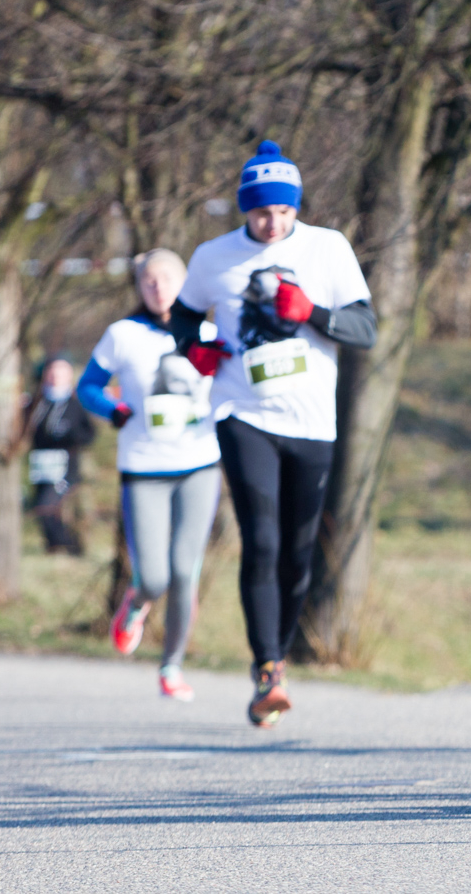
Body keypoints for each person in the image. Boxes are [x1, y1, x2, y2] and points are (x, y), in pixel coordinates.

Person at [172, 140, 376, 727]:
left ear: (296, 208)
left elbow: (364, 328)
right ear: (244, 209)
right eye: (261, 211)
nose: (272, 222)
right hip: (244, 413)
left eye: (283, 211)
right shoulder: (214, 256)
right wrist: (199, 350)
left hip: (313, 421)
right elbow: (184, 316)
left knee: (297, 552)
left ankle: (279, 656)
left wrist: (310, 310)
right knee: (260, 540)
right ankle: (266, 667)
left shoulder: (328, 249)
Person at [77, 248, 222, 701]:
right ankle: (137, 603)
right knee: (155, 577)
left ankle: (172, 666)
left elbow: (230, 384)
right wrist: (114, 410)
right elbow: (87, 387)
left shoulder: (209, 333)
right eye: (148, 281)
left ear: (185, 284)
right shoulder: (123, 335)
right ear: (139, 288)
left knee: (185, 572)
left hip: (200, 465)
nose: (158, 288)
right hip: (143, 468)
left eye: (167, 280)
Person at [24, 356, 96, 555]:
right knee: (42, 508)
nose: (55, 377)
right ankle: (55, 546)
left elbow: (88, 434)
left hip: (66, 467)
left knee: (50, 507)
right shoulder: (36, 402)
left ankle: (69, 547)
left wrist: (68, 436)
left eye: (61, 373)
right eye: (52, 372)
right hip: (40, 466)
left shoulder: (75, 404)